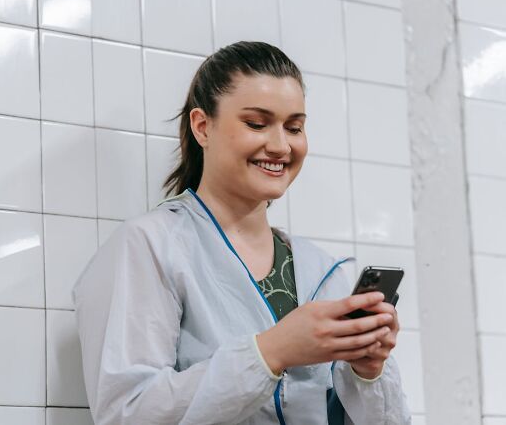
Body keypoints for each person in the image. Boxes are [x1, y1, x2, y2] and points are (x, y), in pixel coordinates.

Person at [72, 41, 411, 424]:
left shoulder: (321, 270)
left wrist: (368, 372)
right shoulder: (151, 246)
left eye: (294, 127)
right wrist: (270, 353)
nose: (281, 145)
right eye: (256, 123)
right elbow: (127, 412)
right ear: (203, 126)